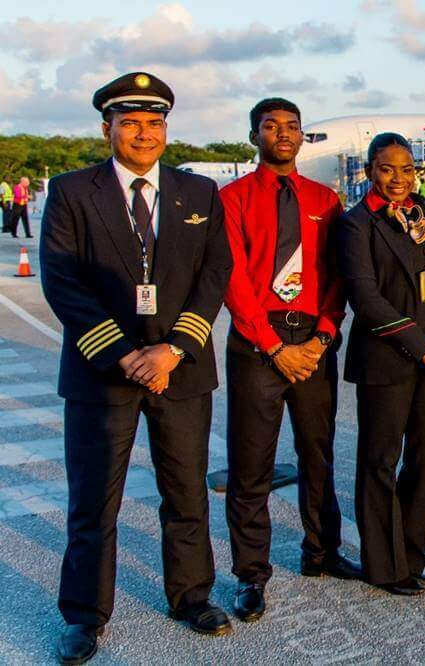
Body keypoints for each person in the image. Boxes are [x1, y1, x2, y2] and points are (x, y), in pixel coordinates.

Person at [39, 72, 234, 664]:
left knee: (186, 492)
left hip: (181, 371)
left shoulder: (198, 193)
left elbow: (214, 274)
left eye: (154, 123)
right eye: (131, 123)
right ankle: (84, 615)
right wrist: (125, 353)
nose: (143, 133)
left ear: (167, 130)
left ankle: (191, 595)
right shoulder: (74, 192)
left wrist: (174, 348)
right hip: (103, 373)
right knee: (94, 500)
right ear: (108, 129)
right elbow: (62, 280)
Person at [220, 97, 361, 624]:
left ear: (301, 136)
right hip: (259, 343)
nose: (283, 133)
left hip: (313, 339)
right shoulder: (231, 198)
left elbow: (337, 273)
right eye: (271, 126)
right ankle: (250, 575)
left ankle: (321, 551)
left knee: (317, 454)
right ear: (253, 134)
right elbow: (231, 276)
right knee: (251, 464)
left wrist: (323, 337)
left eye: (292, 126)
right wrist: (273, 346)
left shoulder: (325, 198)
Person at [337, 133, 425, 596]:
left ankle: (411, 554)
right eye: (387, 169)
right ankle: (383, 563)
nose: (398, 178)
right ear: (371, 171)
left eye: (406, 169)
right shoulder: (357, 224)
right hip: (388, 359)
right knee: (380, 461)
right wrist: (423, 346)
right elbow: (366, 298)